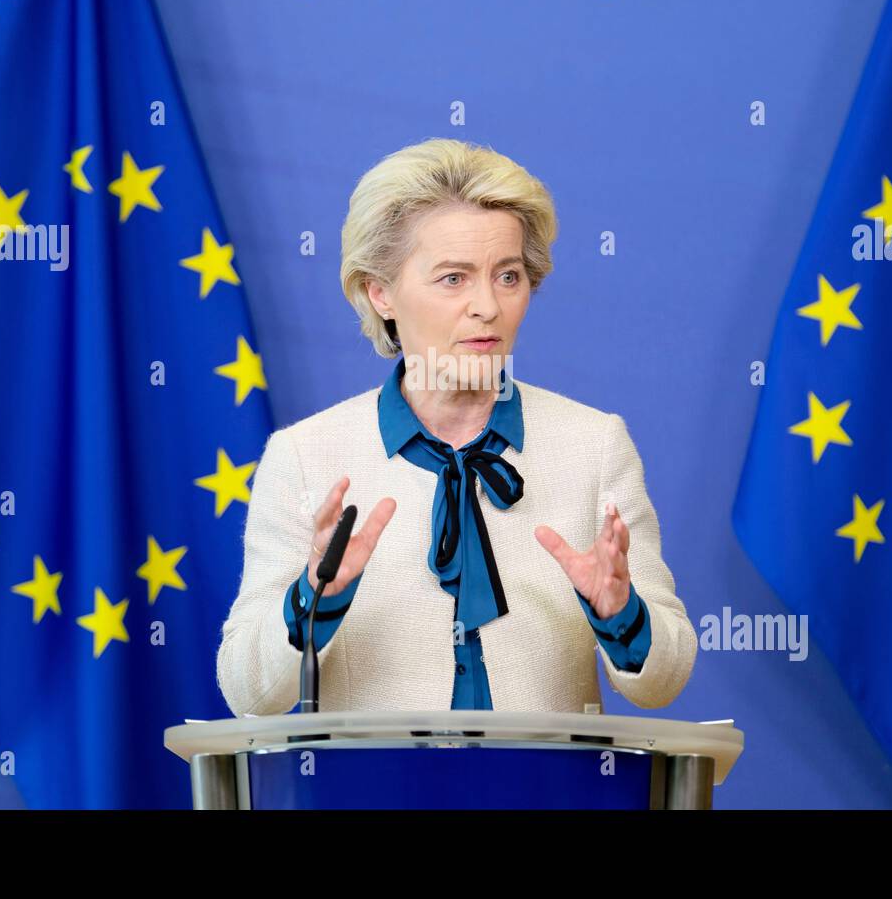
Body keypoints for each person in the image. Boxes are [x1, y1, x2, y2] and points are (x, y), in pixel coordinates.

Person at [216, 138, 697, 714]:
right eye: (453, 278)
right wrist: (315, 596)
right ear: (381, 292)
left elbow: (663, 680)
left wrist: (621, 612)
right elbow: (248, 693)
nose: (487, 307)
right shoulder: (304, 456)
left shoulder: (595, 445)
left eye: (508, 276)